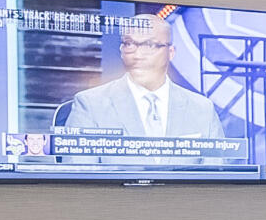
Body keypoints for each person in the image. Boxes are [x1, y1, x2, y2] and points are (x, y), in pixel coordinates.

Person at [59, 15, 225, 138]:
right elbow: (80, 175)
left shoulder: (202, 109)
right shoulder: (90, 104)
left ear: (171, 53)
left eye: (149, 45)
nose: (137, 54)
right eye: (129, 44)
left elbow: (217, 176)